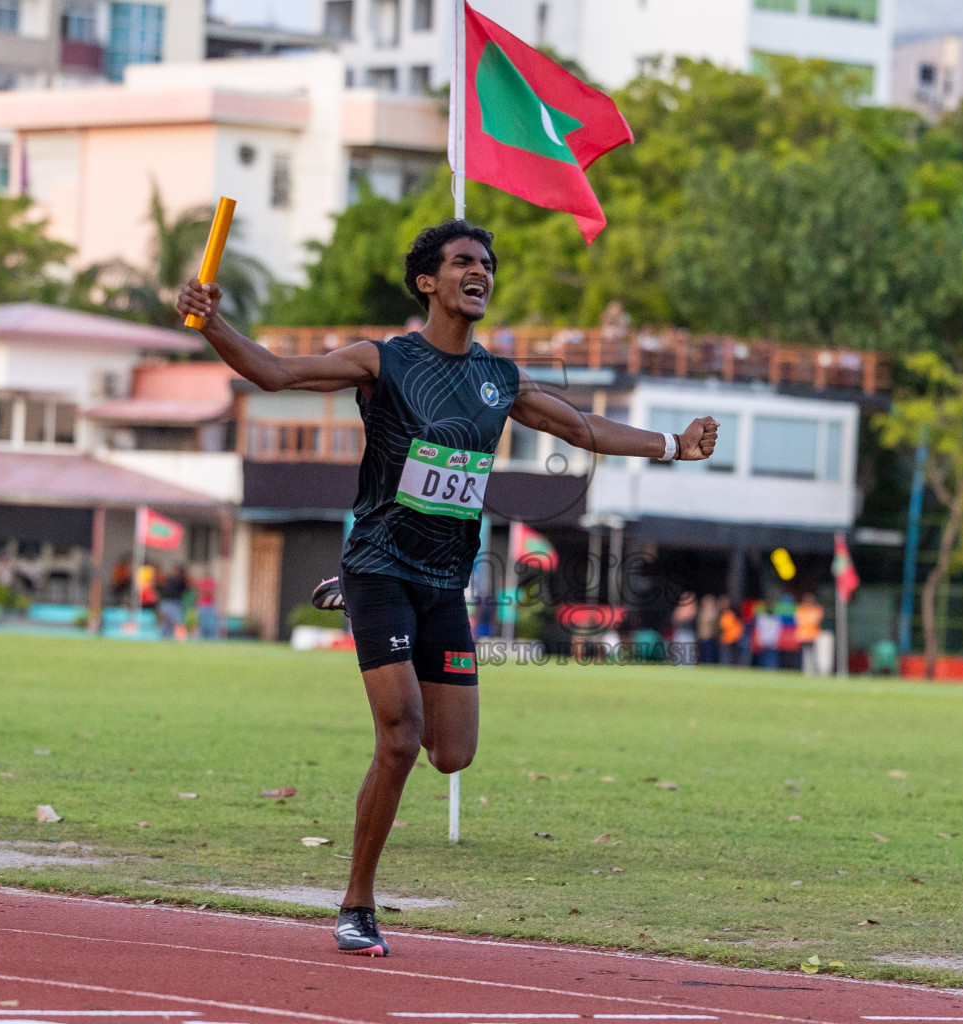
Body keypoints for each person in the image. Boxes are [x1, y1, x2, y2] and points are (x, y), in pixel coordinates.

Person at [176, 218, 720, 957]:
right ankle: (357, 904)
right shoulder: (384, 360)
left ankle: (358, 597)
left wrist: (672, 447)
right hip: (382, 563)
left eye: (488, 264)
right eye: (464, 262)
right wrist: (215, 326)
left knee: (451, 753)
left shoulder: (498, 379)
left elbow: (582, 427)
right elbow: (278, 374)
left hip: (445, 582)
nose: (481, 273)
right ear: (428, 281)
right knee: (398, 736)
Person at [157, 565, 189, 639]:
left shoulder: (182, 581)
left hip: (176, 602)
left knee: (176, 620)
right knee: (165, 620)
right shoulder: (168, 580)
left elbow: (183, 590)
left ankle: (176, 635)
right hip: (167, 601)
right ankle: (164, 635)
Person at [795, 593, 823, 675]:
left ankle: (814, 670)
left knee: (814, 654)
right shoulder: (801, 610)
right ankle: (807, 671)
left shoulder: (816, 609)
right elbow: (798, 620)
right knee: (806, 654)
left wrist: (809, 620)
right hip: (804, 635)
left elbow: (817, 620)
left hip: (814, 635)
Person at [669, 591, 698, 666]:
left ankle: (689, 668)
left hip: (688, 633)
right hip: (679, 632)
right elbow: (674, 618)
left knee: (688, 652)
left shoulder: (692, 607)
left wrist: (681, 616)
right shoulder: (680, 607)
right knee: (678, 652)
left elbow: (688, 616)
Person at [752, 601, 782, 670]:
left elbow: (779, 630)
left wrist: (777, 639)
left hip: (772, 639)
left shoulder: (776, 618)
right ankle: (764, 669)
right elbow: (758, 629)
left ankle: (773, 669)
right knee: (763, 656)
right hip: (764, 639)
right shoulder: (762, 617)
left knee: (772, 656)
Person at [717, 597, 743, 666]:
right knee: (725, 656)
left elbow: (734, 627)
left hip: (730, 639)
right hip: (725, 639)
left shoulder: (729, 614)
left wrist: (736, 636)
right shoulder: (722, 614)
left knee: (729, 657)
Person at [695, 594, 720, 665]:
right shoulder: (701, 612)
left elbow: (715, 626)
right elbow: (699, 626)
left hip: (710, 638)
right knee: (703, 655)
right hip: (702, 638)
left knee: (710, 655)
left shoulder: (714, 613)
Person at [195, 573, 220, 639]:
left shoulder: (212, 583)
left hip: (210, 605)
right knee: (202, 623)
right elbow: (200, 594)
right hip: (202, 605)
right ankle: (201, 637)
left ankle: (213, 638)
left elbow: (213, 593)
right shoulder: (201, 583)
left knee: (212, 623)